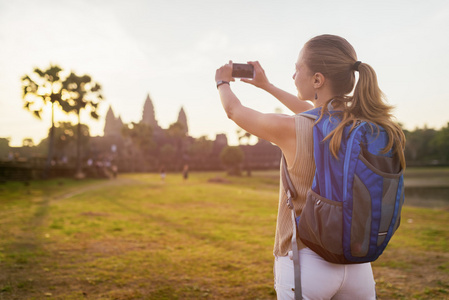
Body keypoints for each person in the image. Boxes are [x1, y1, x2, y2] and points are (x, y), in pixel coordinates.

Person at [215, 34, 406, 299]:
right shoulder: (361, 125)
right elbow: (311, 110)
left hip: (305, 262)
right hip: (357, 265)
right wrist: (267, 86)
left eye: (297, 69)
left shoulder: (293, 129)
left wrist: (221, 80)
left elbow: (234, 111)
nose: (293, 76)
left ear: (317, 79)